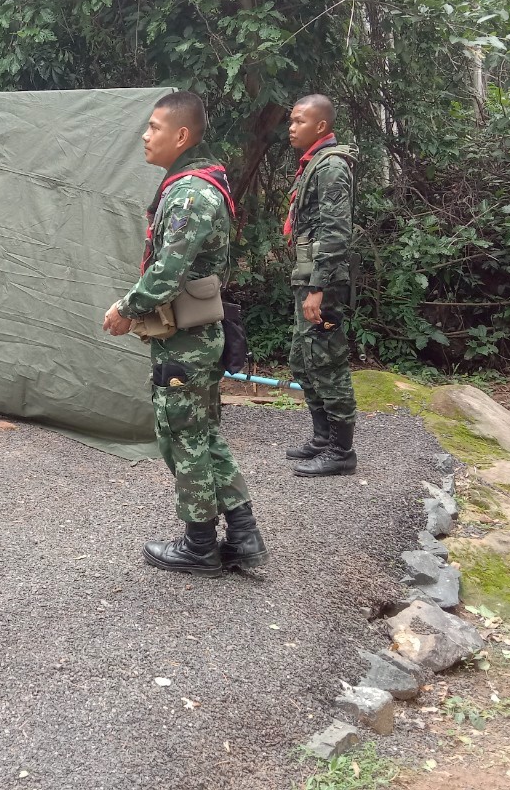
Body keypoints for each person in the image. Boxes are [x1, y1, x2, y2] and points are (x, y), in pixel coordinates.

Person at [103, 91, 268, 576]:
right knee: (202, 433)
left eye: (154, 127)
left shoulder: (190, 194)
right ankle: (243, 535)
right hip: (191, 335)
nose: (145, 135)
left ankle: (200, 546)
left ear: (180, 135)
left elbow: (167, 273)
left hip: (187, 341)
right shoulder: (191, 186)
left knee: (183, 436)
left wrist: (125, 310)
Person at [281, 94, 359, 476]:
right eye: (291, 121)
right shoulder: (313, 164)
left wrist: (318, 288)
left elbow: (336, 232)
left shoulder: (331, 167)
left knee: (327, 361)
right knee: (303, 359)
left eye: (299, 121)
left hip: (322, 283)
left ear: (321, 126)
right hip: (309, 277)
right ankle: (323, 438)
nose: (291, 127)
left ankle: (341, 451)